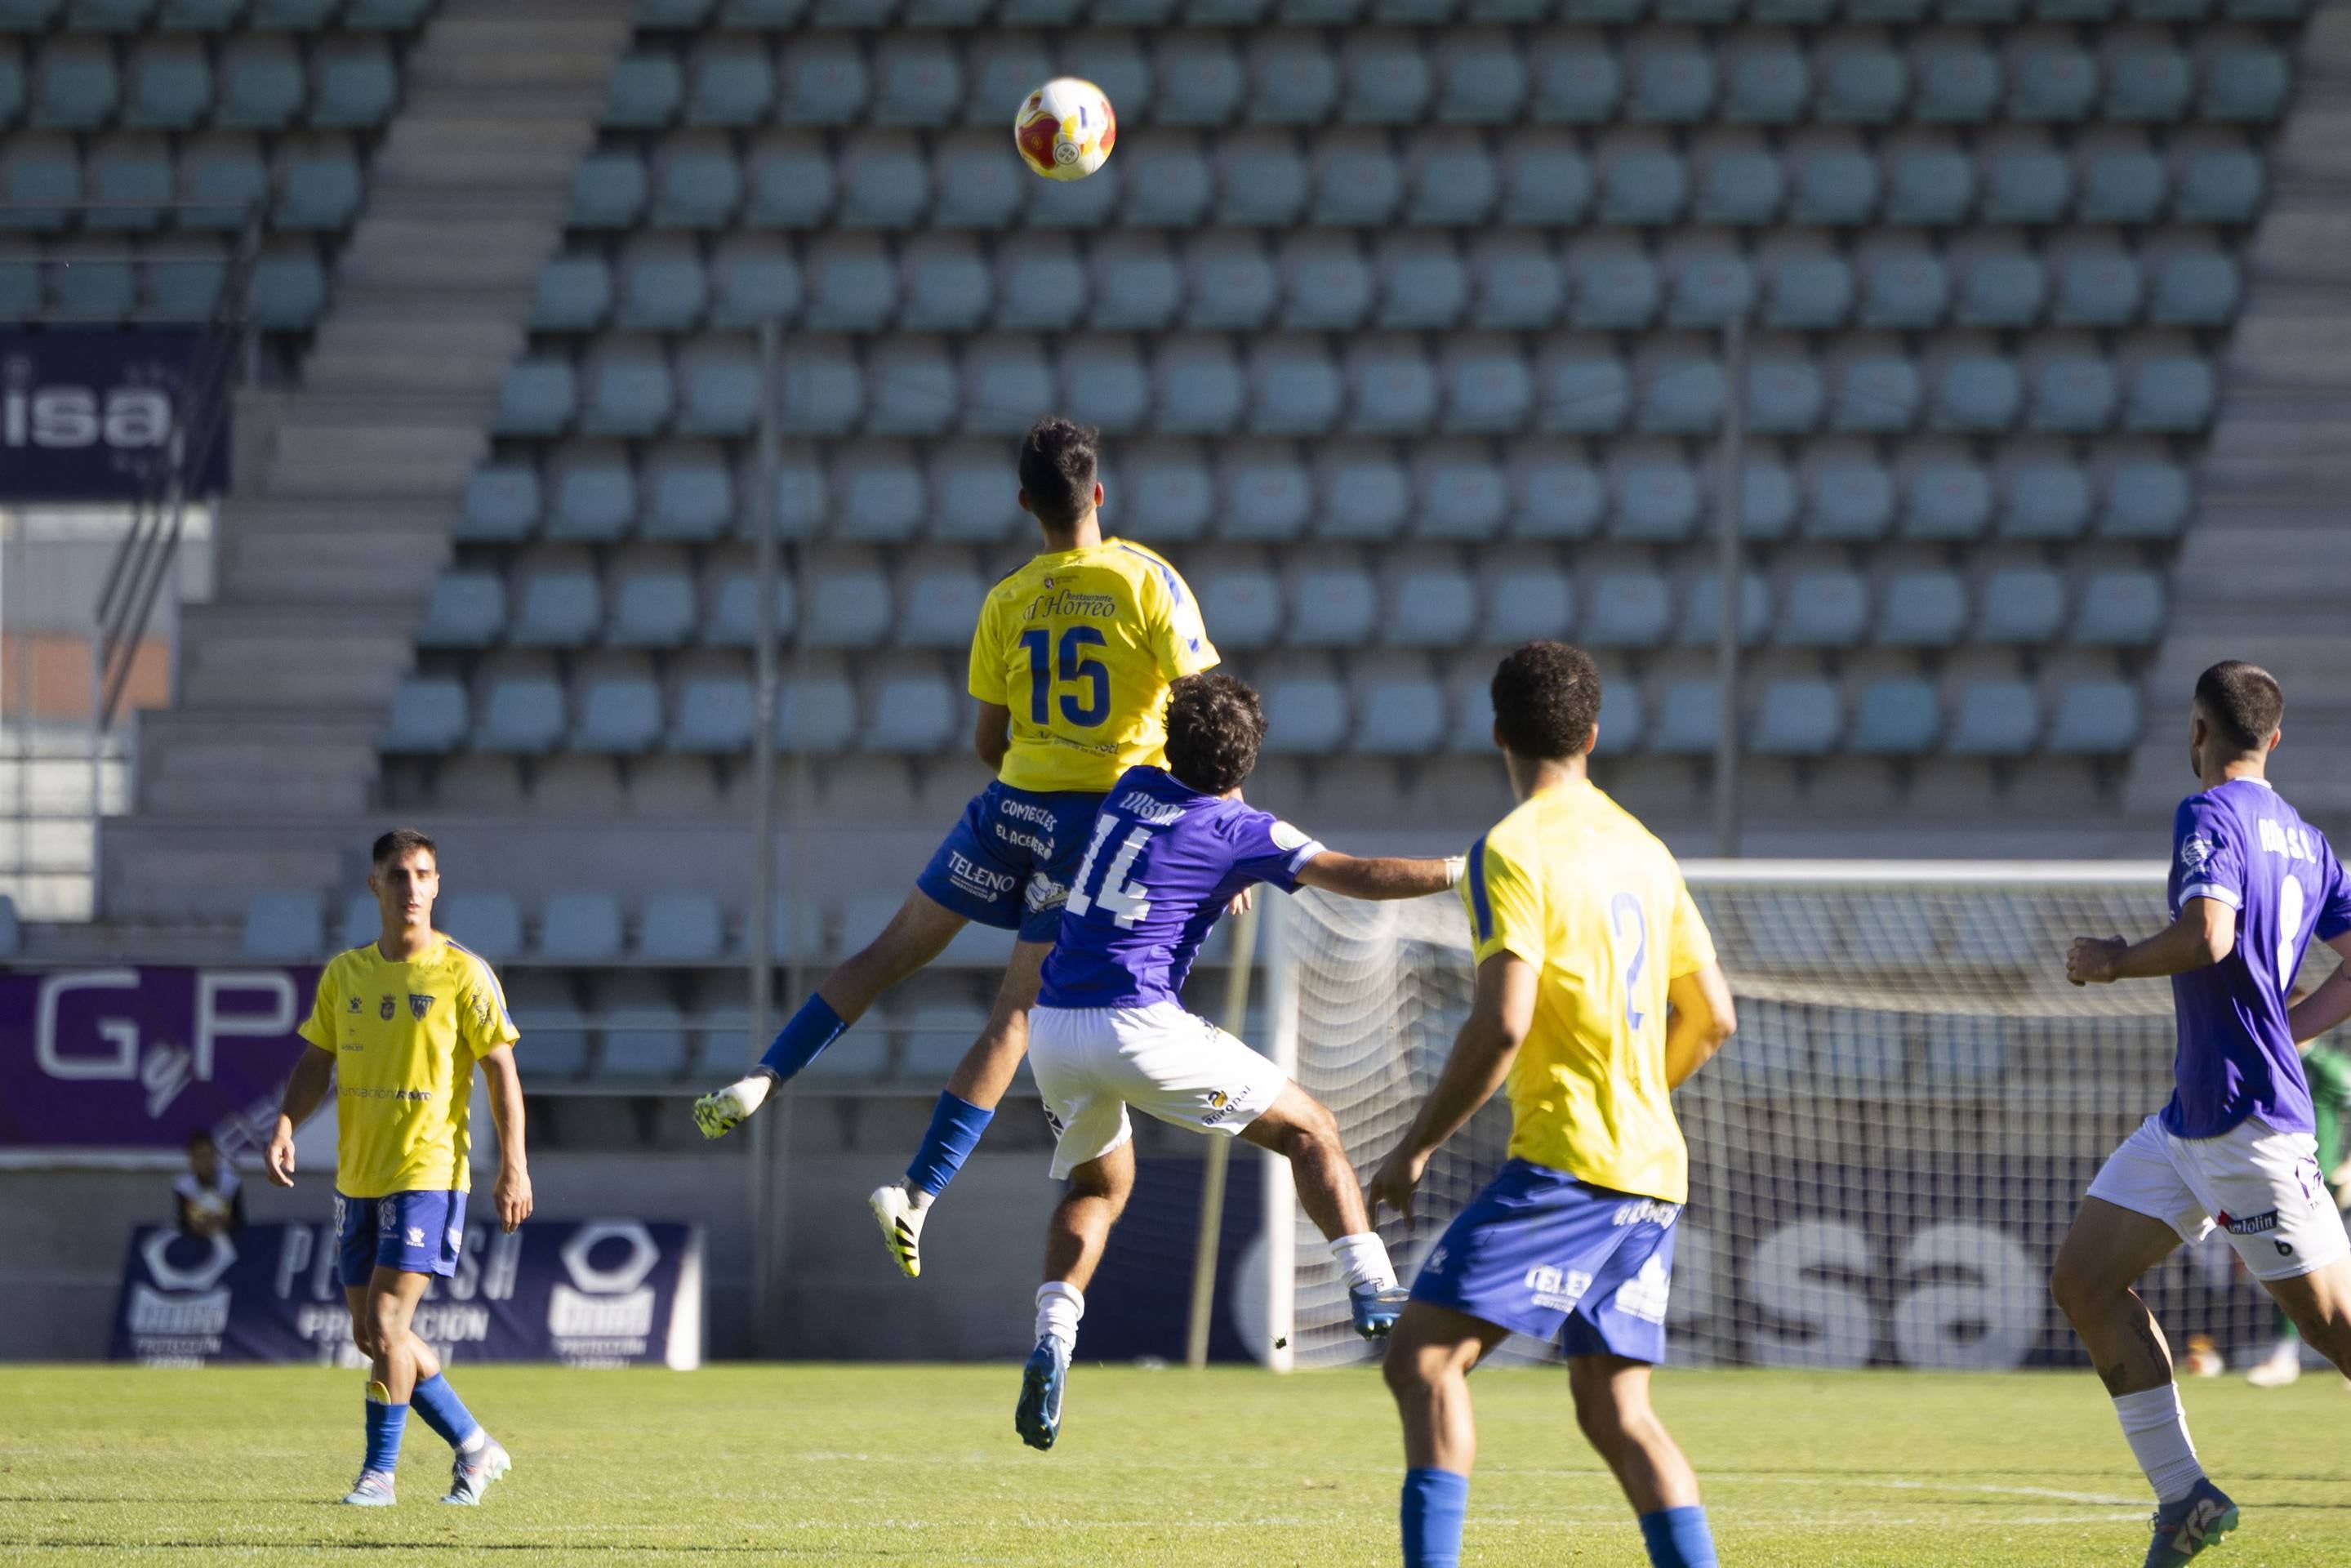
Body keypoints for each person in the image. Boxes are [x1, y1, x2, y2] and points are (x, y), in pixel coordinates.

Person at [692, 416, 1218, 1284]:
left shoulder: (1007, 596)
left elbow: (987, 737)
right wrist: (1217, 820)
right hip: (1091, 824)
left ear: (1023, 504)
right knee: (1016, 1011)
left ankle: (761, 1077)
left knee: (886, 952)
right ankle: (917, 1189)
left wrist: (1028, 775)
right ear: (1098, 493)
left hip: (1008, 803)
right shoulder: (1146, 580)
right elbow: (1205, 714)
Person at [1013, 672, 1462, 1451]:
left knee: (1097, 1184)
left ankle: (1054, 1333)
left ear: (1170, 743)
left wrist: (1224, 880)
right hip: (1137, 1025)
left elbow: (1165, 853)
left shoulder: (1133, 786)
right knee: (1310, 1130)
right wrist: (1467, 869)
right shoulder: (1242, 832)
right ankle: (1372, 1285)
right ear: (1249, 759)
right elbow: (1353, 875)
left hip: (1053, 1028)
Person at [1369, 641, 1737, 1568]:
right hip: (1652, 1167)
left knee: (1422, 1361)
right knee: (1616, 1410)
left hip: (1573, 1164)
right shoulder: (1642, 848)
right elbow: (1714, 1017)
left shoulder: (1512, 849)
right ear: (1593, 734)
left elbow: (1500, 1026)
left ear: (1496, 730)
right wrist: (1638, 1090)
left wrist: (1413, 1147)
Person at [2055, 660, 2351, 1565]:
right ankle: (2185, 1496)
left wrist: (2109, 960)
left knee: (2334, 1331)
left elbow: (2207, 934)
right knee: (2083, 1281)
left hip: (2249, 1130)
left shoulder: (2208, 815)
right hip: (2189, 1120)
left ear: (2195, 731)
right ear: (2273, 735)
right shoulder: (2305, 840)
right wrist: (2286, 1027)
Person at [265, 827, 533, 1508]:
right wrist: (287, 1123)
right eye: (398, 875)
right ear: (375, 885)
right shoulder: (346, 975)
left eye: (423, 875)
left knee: (385, 1322)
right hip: (358, 1176)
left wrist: (514, 1167)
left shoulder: (463, 973)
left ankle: (378, 1476)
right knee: (372, 1334)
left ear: (437, 885)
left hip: (430, 1173)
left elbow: (502, 1073)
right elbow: (314, 1064)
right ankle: (475, 1448)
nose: (411, 888)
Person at [2244, 1032, 2351, 1386]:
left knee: (2315, 1269)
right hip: (2291, 1181)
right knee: (2296, 1264)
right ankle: (2285, 1357)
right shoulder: (2271, 1062)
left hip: (2330, 1184)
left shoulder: (2329, 1067)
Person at [174, 1129, 245, 1239]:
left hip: (228, 1238)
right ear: (192, 1159)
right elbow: (182, 1222)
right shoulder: (183, 1185)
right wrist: (199, 1225)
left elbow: (240, 1220)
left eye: (209, 1155)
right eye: (201, 1156)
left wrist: (223, 1222)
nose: (206, 1161)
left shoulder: (231, 1182)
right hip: (194, 1242)